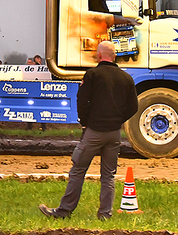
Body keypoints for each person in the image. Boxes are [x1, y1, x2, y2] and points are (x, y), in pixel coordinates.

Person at [39, 41, 138, 220]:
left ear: (99, 56)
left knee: (78, 170)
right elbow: (133, 107)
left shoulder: (92, 75)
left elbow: (82, 101)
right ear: (114, 56)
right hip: (114, 133)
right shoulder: (126, 78)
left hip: (94, 131)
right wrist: (117, 120)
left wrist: (86, 123)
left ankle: (63, 211)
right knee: (108, 176)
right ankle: (104, 215)